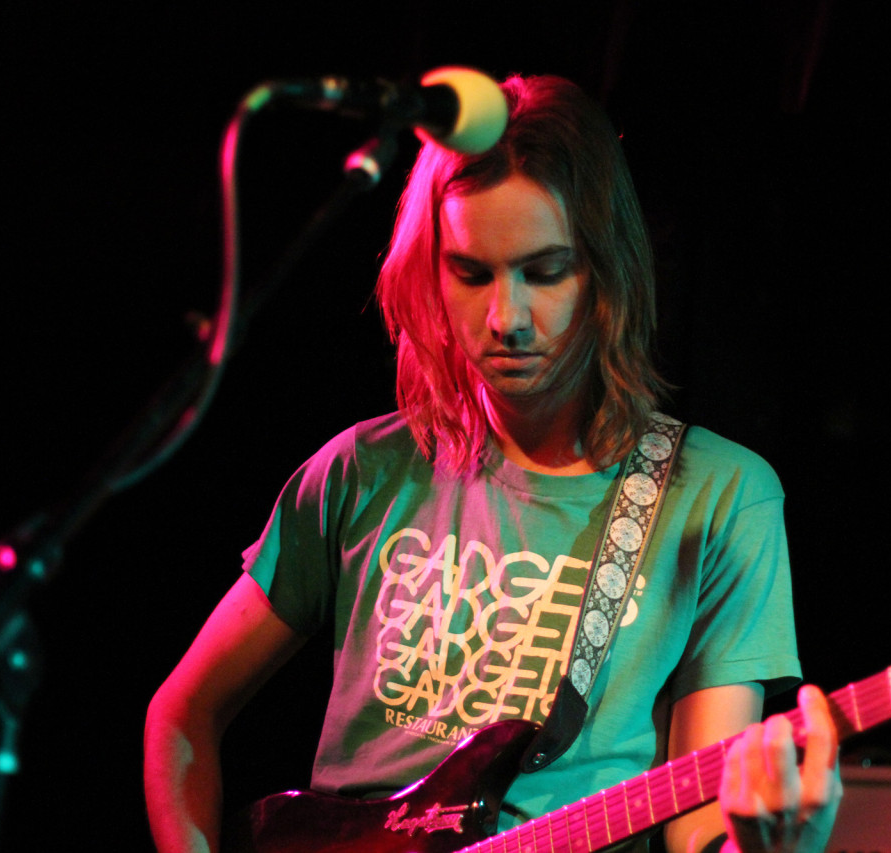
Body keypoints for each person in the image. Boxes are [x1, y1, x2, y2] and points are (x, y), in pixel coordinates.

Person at [144, 73, 841, 853]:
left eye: (545, 272)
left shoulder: (719, 498)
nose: (506, 318)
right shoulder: (358, 471)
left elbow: (697, 828)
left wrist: (776, 842)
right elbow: (183, 715)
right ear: (427, 271)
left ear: (606, 274)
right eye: (472, 274)